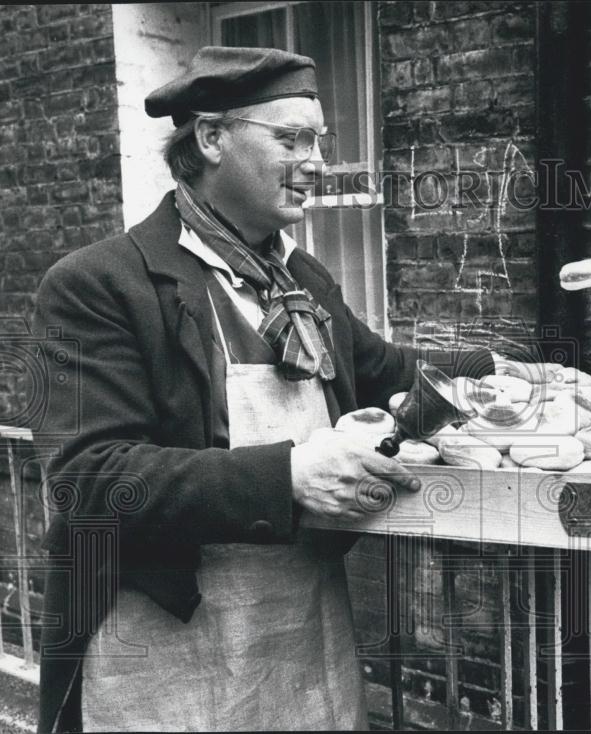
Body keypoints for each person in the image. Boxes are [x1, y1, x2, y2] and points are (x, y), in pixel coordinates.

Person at [32, 47, 495, 732]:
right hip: (166, 645)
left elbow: (387, 370)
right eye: (293, 138)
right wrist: (289, 476)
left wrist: (502, 366)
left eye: (320, 142)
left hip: (304, 634)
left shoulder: (300, 279)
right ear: (213, 137)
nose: (316, 161)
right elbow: (86, 480)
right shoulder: (97, 285)